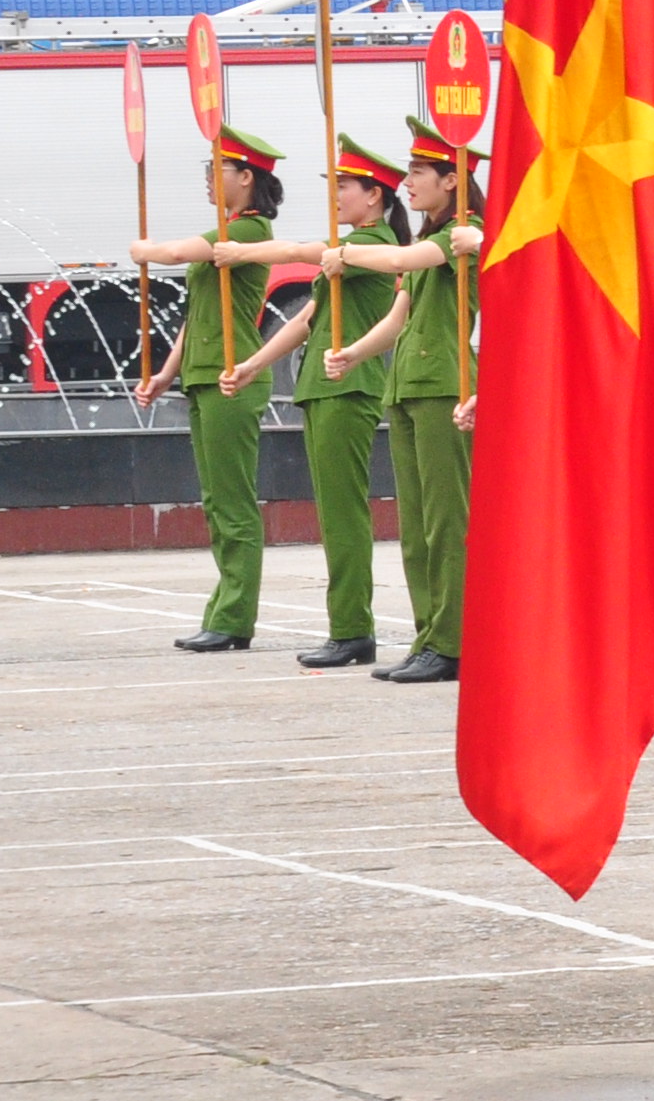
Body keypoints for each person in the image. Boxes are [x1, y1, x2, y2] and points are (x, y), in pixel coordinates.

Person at [223, 135, 407, 672]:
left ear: (374, 196)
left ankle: (352, 630)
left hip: (349, 388)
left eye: (345, 186)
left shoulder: (367, 246)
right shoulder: (348, 253)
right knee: (334, 513)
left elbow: (301, 252)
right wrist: (255, 364)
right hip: (324, 389)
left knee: (343, 515)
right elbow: (306, 322)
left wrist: (242, 251)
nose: (337, 197)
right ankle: (348, 627)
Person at [318, 117, 485, 684]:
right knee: (415, 527)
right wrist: (353, 354)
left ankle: (456, 640)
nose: (408, 183)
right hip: (408, 388)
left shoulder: (462, 234)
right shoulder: (429, 236)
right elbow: (399, 316)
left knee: (446, 522)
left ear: (452, 180)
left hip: (447, 386)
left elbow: (399, 263)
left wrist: (346, 255)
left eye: (418, 173)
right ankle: (429, 635)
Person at [139, 125, 285, 650]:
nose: (207, 179)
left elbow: (177, 254)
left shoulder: (249, 231)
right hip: (204, 373)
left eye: (216, 170)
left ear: (246, 178)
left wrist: (145, 249)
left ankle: (234, 618)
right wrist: (166, 372)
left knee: (233, 501)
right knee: (214, 500)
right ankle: (224, 612)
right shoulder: (224, 233)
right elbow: (196, 313)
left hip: (233, 376)